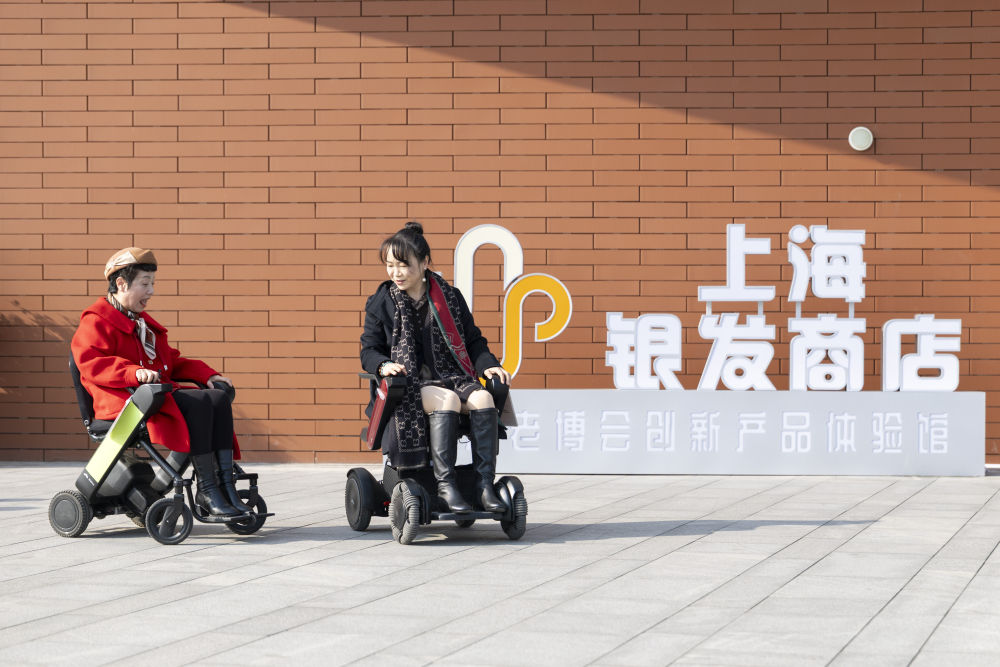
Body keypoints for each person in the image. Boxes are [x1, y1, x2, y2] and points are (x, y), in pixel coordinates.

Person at [70, 247, 250, 520]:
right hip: (123, 402)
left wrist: (208, 376)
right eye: (145, 284)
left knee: (217, 397)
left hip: (151, 395)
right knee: (199, 402)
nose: (151, 291)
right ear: (122, 283)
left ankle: (224, 488)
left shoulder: (141, 323)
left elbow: (170, 362)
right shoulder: (96, 321)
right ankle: (207, 489)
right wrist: (134, 373)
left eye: (152, 283)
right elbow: (92, 362)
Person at [361, 222, 511, 514]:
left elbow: (473, 341)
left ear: (424, 263)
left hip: (451, 377)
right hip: (407, 385)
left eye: (403, 265)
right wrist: (384, 364)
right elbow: (369, 349)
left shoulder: (450, 298)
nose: (395, 273)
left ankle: (483, 486)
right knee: (449, 400)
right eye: (390, 265)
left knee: (484, 397)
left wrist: (489, 365)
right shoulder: (381, 302)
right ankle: (446, 486)